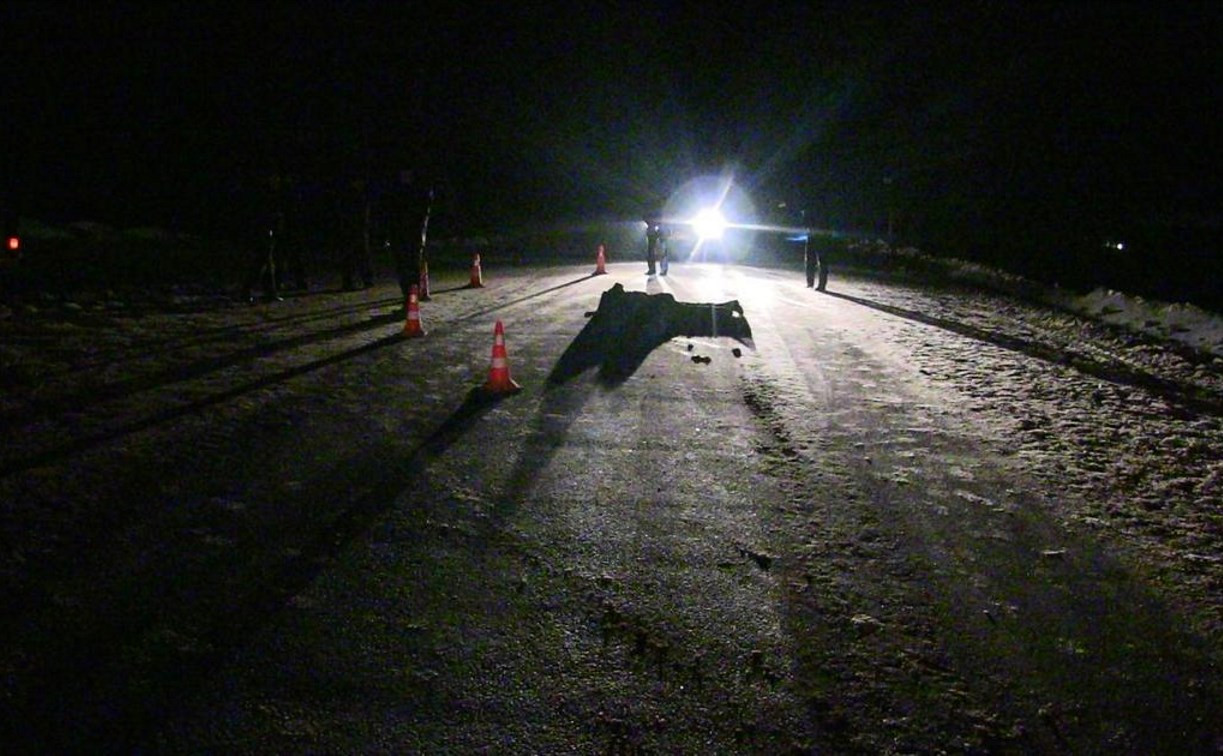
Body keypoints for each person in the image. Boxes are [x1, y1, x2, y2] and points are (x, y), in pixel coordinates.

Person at [382, 169, 434, 301]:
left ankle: (411, 295)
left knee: (411, 265)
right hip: (401, 234)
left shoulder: (417, 193)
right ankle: (409, 294)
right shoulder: (398, 192)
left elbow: (422, 214)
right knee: (404, 266)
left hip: (411, 234)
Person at [243, 172, 286, 303]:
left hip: (268, 230)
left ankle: (269, 291)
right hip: (262, 231)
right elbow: (262, 214)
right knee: (262, 262)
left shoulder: (273, 195)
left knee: (267, 262)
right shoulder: (264, 196)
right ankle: (248, 290)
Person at [338, 176, 374, 290]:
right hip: (353, 228)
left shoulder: (360, 196)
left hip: (358, 228)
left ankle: (363, 280)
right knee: (353, 255)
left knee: (360, 255)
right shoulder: (354, 196)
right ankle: (352, 281)